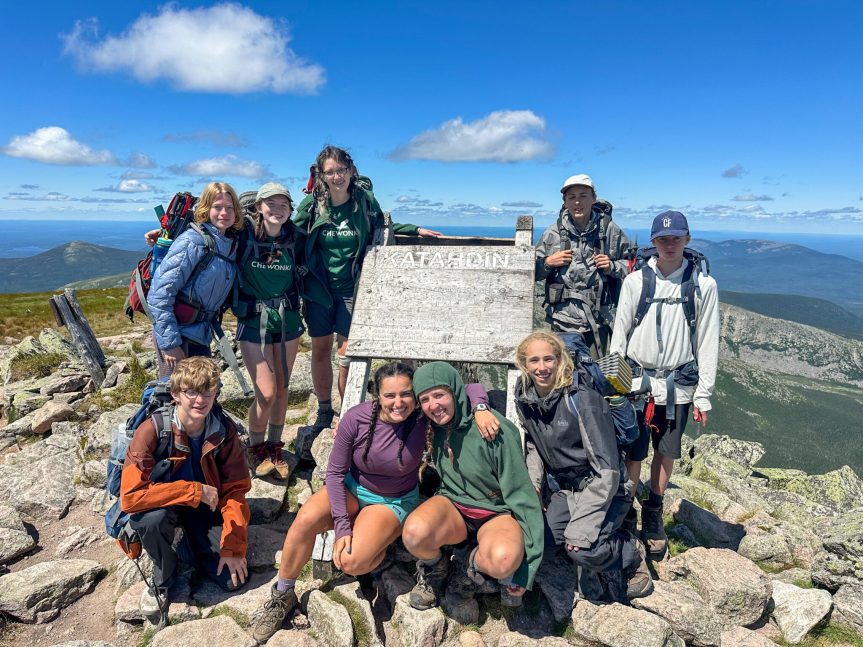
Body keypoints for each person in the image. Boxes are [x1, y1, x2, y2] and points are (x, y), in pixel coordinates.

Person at [250, 361, 496, 642]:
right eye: (390, 395)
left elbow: (469, 388)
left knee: (351, 562)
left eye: (406, 394)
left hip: (392, 500)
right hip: (353, 489)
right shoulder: (357, 418)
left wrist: (480, 408)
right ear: (377, 396)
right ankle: (282, 593)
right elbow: (335, 472)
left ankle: (377, 547)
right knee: (305, 518)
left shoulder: (421, 417)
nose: (399, 402)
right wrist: (343, 525)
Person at [293, 146, 442, 432]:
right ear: (322, 175)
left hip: (352, 289)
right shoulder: (311, 205)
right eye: (330, 172)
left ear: (350, 171)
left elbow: (383, 225)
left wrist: (415, 229)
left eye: (341, 170)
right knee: (320, 350)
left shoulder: (363, 200)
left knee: (348, 352)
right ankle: (325, 410)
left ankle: (349, 409)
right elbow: (292, 234)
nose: (337, 176)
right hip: (319, 288)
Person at [609, 211, 720, 558]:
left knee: (666, 451)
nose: (669, 244)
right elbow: (618, 336)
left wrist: (704, 395)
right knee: (633, 449)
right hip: (637, 382)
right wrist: (615, 384)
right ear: (653, 242)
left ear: (687, 240)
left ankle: (653, 513)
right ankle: (627, 511)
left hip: (678, 386)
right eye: (663, 239)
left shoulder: (704, 286)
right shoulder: (635, 281)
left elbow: (708, 341)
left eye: (676, 238)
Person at [513, 331, 653, 601]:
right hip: (565, 489)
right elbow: (534, 447)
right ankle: (594, 543)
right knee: (544, 544)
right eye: (534, 361)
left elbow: (608, 470)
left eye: (548, 359)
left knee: (580, 547)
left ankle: (631, 553)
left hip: (607, 488)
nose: (542, 368)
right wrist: (533, 486)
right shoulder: (526, 399)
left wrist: (582, 528)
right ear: (524, 364)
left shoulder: (582, 398)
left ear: (560, 359)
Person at [402, 362, 544, 612]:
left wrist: (527, 568)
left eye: (440, 395)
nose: (433, 405)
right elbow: (389, 408)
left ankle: (468, 565)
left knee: (503, 560)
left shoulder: (492, 429)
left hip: (495, 512)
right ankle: (436, 567)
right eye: (425, 399)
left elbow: (523, 496)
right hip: (453, 506)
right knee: (414, 533)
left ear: (455, 393)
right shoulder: (431, 425)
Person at [120, 357, 251, 615]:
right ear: (175, 394)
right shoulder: (151, 430)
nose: (200, 400)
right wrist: (194, 491)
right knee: (151, 521)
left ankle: (189, 544)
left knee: (231, 580)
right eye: (191, 392)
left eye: (207, 391)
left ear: (215, 393)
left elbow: (235, 490)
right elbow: (131, 497)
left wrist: (234, 547)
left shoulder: (223, 430)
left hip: (204, 508)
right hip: (162, 505)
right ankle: (162, 577)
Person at [233, 182, 306, 480]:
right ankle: (256, 448)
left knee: (284, 389)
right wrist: (162, 238)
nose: (277, 210)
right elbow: (208, 230)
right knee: (266, 392)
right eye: (271, 204)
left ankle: (275, 447)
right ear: (259, 206)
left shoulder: (296, 239)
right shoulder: (243, 235)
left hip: (287, 321)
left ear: (290, 210)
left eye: (283, 205)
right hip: (253, 323)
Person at [147, 182, 243, 377]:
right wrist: (170, 344)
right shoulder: (192, 241)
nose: (224, 212)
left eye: (230, 208)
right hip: (178, 333)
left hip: (200, 333)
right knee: (174, 397)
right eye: (217, 207)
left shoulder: (228, 243)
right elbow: (159, 295)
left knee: (203, 394)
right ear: (206, 209)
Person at [535, 174, 632, 358]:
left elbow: (634, 266)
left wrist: (612, 266)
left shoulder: (610, 230)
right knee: (562, 378)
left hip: (600, 320)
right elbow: (531, 273)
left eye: (583, 196)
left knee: (597, 378)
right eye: (571, 197)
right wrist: (548, 263)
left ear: (593, 198)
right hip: (561, 321)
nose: (577, 202)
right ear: (565, 202)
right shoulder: (553, 233)